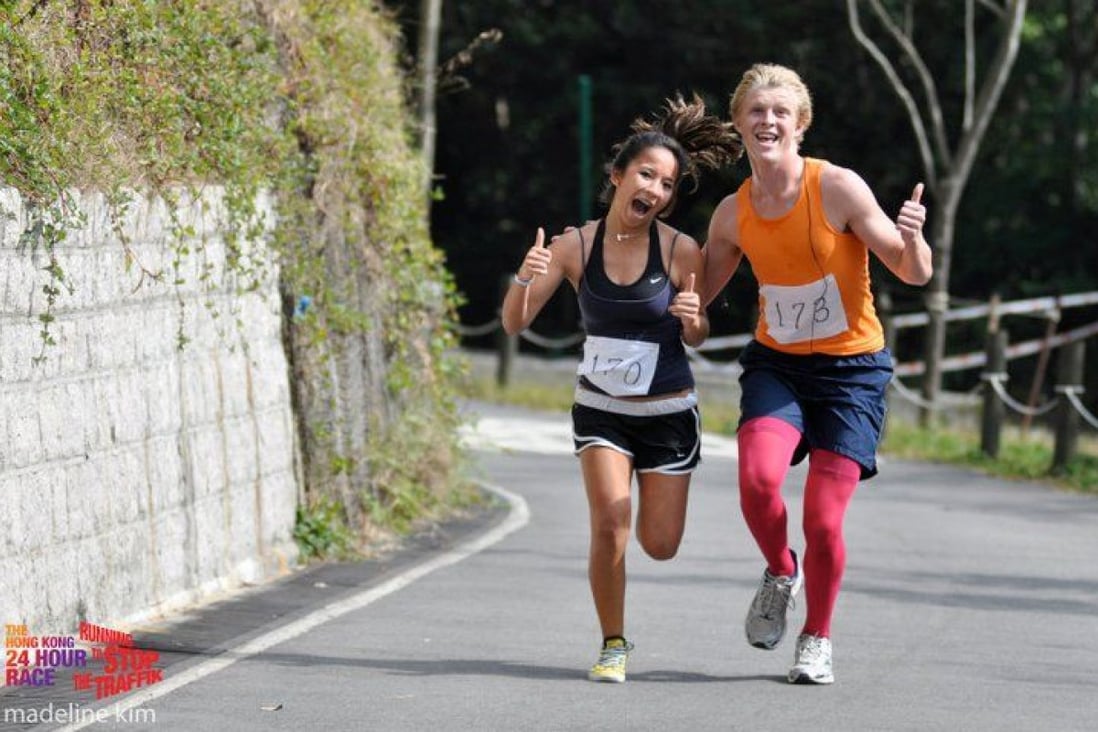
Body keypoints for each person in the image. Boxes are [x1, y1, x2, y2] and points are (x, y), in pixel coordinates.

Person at [701, 63, 932, 685]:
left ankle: (817, 638)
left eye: (780, 111)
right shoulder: (732, 213)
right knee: (755, 480)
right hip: (777, 365)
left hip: (850, 372)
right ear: (739, 124)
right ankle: (781, 570)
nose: (767, 120)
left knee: (824, 519)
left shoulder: (837, 188)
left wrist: (913, 239)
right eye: (756, 110)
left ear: (800, 124)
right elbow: (692, 294)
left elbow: (912, 272)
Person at [501, 95, 741, 683]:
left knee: (660, 544)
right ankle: (613, 642)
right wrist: (524, 276)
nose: (656, 191)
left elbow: (701, 334)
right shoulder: (573, 246)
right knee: (611, 522)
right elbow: (514, 322)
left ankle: (622, 621)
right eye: (646, 176)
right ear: (617, 177)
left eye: (667, 184)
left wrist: (693, 318)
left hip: (668, 413)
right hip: (601, 411)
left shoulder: (681, 249)